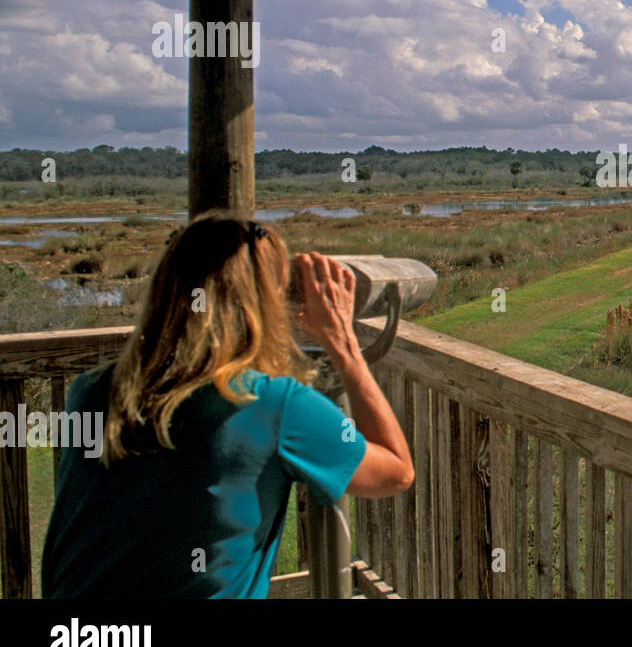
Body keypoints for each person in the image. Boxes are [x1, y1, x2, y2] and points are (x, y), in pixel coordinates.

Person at [41, 210, 414, 598]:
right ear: (264, 304)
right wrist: (344, 346)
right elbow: (396, 470)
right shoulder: (271, 405)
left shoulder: (90, 391)